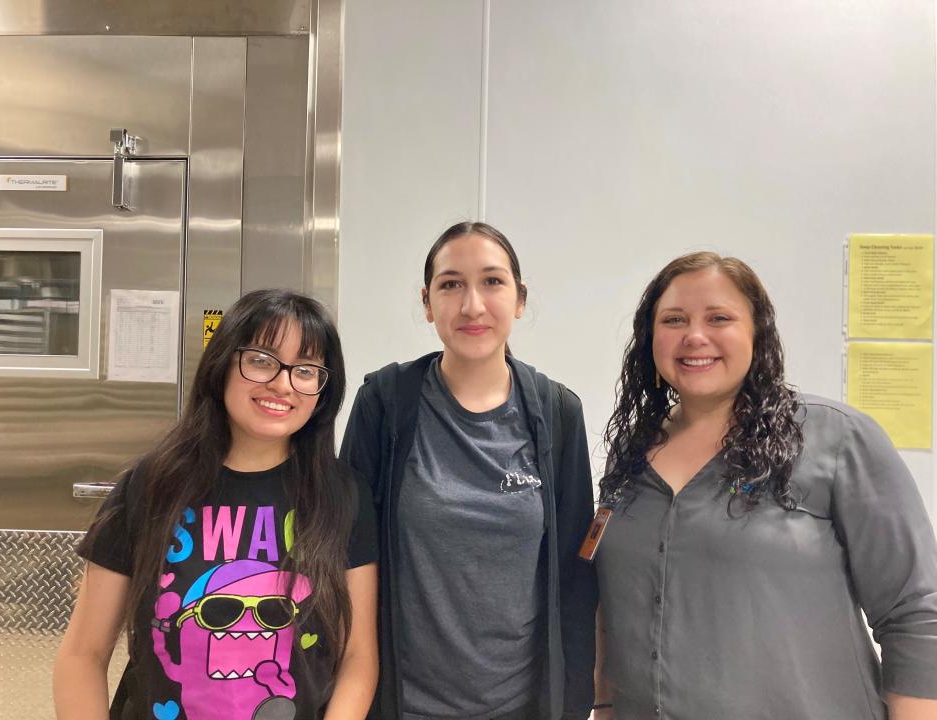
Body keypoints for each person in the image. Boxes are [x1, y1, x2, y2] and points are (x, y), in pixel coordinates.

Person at [594, 251, 937, 720]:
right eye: (673, 319)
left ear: (757, 332)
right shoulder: (631, 454)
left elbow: (916, 612)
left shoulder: (835, 439)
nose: (695, 336)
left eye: (719, 318)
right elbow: (615, 607)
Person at [53, 290, 379, 720]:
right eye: (262, 360)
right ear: (223, 364)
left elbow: (358, 659)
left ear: (323, 389)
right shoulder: (151, 486)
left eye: (305, 370)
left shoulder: (342, 495)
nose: (282, 384)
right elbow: (83, 654)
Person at [340, 221, 596, 720]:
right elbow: (347, 556)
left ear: (520, 299)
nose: (472, 305)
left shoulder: (558, 412)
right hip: (402, 704)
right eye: (451, 284)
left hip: (522, 707)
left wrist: (577, 704)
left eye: (493, 282)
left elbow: (575, 574)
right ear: (427, 302)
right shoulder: (385, 403)